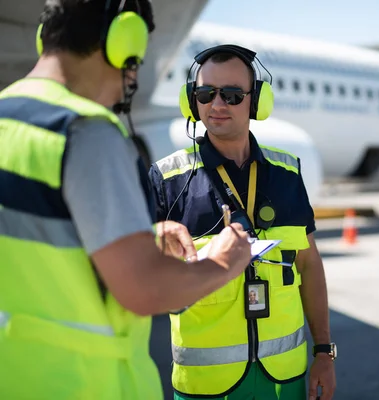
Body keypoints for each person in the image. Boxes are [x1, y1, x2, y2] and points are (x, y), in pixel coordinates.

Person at [0, 1, 252, 399]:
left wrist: (137, 234)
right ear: (124, 43)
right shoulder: (87, 133)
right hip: (85, 383)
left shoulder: (7, 118)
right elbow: (145, 290)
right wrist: (226, 261)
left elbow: (39, 244)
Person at [147, 44, 337, 400]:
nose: (217, 105)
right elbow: (139, 273)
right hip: (205, 387)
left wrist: (324, 352)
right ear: (192, 99)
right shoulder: (167, 178)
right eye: (205, 93)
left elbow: (309, 265)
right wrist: (154, 237)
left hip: (285, 379)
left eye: (232, 95)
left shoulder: (287, 174)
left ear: (257, 102)